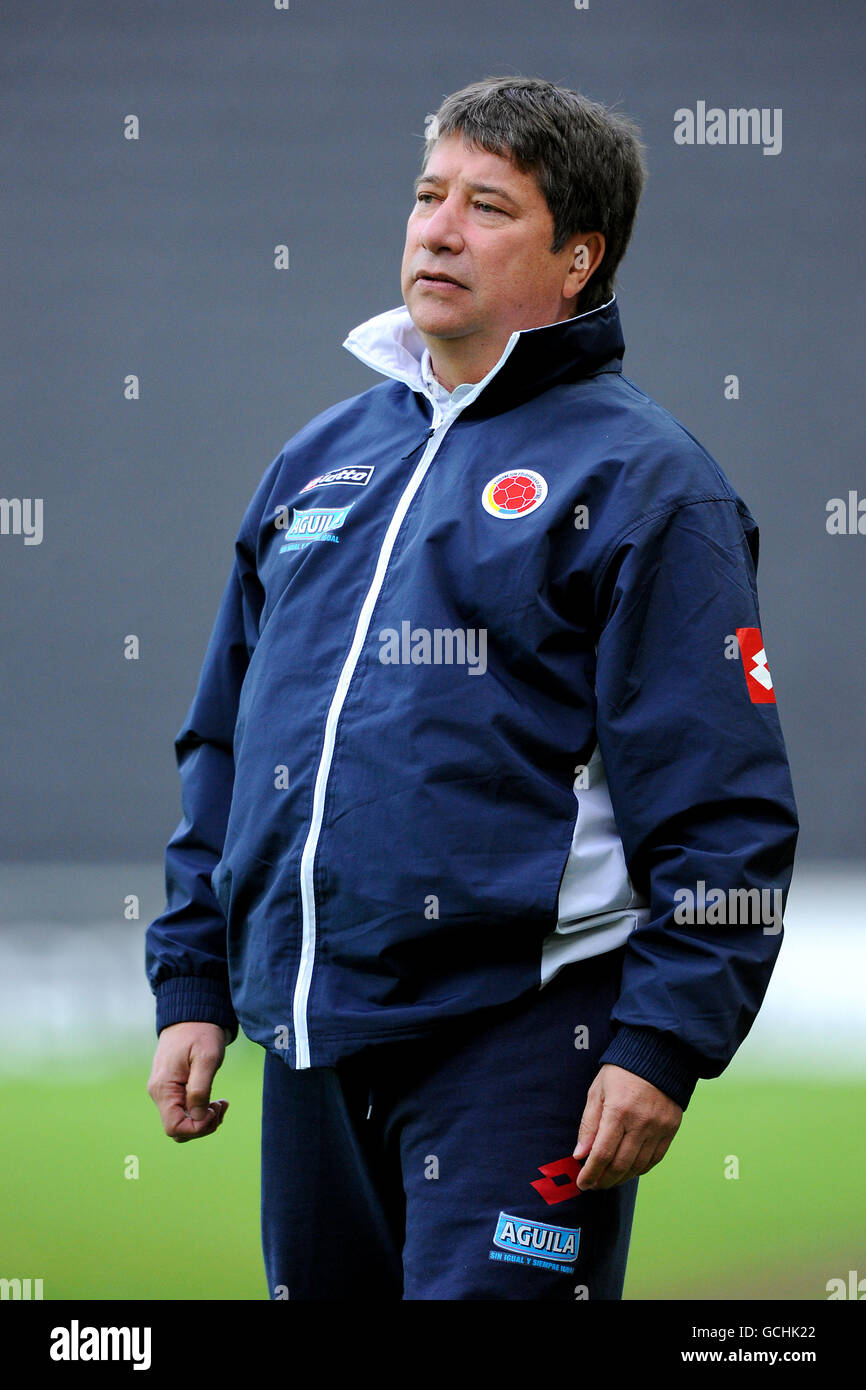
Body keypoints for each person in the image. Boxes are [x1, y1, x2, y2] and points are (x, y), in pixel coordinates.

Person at [145, 76, 798, 1301]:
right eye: (426, 194)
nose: (436, 228)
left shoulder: (652, 483)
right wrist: (194, 979)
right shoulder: (320, 457)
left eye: (486, 206)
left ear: (575, 260)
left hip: (524, 1044)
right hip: (309, 1038)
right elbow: (226, 743)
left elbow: (725, 808)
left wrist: (660, 1044)